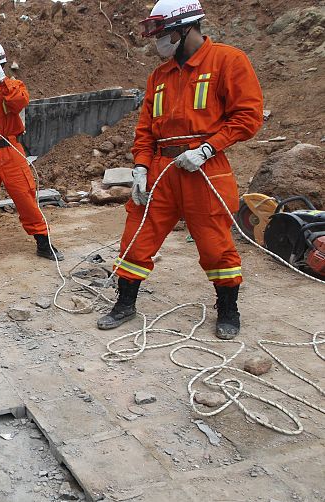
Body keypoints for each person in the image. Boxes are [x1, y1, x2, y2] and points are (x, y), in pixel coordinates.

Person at [98, 0, 263, 340]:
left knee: (215, 244)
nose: (158, 42)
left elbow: (248, 117)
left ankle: (228, 308)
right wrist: (141, 168)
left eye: (163, 34)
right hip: (161, 168)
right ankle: (125, 302)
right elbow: (144, 130)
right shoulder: (158, 77)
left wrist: (206, 149)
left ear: (185, 28)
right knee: (137, 236)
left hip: (204, 168)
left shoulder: (228, 61)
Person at [0, 40, 63, 269]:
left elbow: (19, 102)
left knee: (25, 198)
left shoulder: (13, 87)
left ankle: (43, 243)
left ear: (0, 66)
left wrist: (3, 79)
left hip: (11, 151)